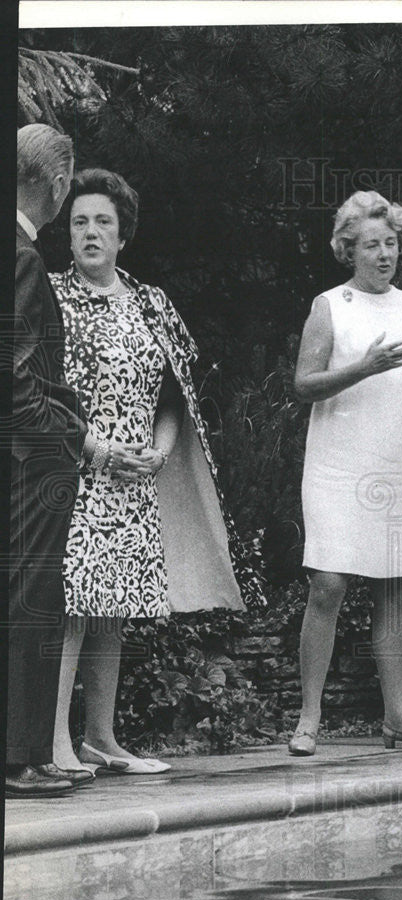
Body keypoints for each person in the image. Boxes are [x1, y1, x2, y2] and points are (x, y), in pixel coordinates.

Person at [48, 168, 266, 776]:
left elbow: (175, 394)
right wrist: (99, 450)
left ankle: (101, 739)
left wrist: (160, 452)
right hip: (75, 472)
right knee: (72, 601)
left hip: (135, 479)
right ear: (67, 233)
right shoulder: (50, 294)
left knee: (111, 609)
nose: (91, 233)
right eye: (80, 222)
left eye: (103, 223)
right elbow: (36, 394)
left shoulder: (151, 302)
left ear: (124, 235)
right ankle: (54, 742)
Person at [288, 190, 402, 756]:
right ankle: (309, 718)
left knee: (393, 588)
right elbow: (303, 385)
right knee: (329, 585)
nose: (384, 253)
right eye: (372, 244)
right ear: (348, 249)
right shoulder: (330, 305)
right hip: (337, 465)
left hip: (392, 464)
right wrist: (362, 367)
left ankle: (400, 718)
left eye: (391, 243)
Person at [8, 125, 90, 798]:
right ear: (55, 184)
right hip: (28, 465)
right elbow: (15, 380)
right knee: (32, 602)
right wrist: (61, 442)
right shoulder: (24, 258)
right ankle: (23, 758)